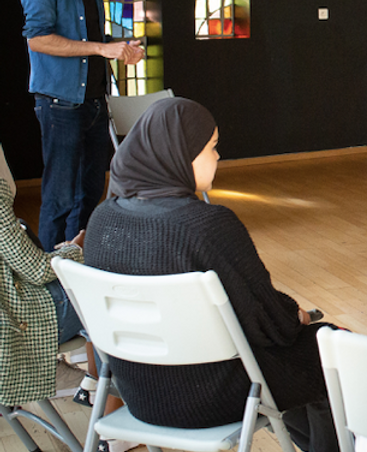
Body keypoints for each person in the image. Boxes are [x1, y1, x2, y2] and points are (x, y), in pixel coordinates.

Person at [83, 98, 338, 452]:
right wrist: (295, 313)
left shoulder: (102, 221)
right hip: (208, 398)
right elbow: (269, 324)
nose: (218, 157)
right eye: (212, 147)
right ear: (179, 153)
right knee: (330, 348)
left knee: (291, 360)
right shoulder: (206, 225)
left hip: (141, 393)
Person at [19, 0, 144, 251]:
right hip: (60, 103)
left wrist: (119, 48)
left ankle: (77, 267)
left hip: (92, 101)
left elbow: (87, 39)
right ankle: (48, 277)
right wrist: (103, 49)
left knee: (89, 194)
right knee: (59, 197)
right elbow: (39, 39)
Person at [0, 144, 89, 410]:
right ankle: (102, 389)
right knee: (104, 282)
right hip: (17, 326)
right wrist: (76, 249)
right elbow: (37, 270)